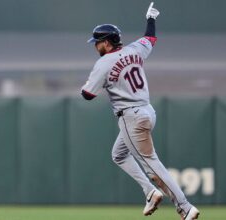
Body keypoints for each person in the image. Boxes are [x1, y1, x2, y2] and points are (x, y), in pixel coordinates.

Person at [80, 2, 200, 220]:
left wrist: (103, 81)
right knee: (118, 154)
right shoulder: (135, 49)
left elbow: (87, 95)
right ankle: (150, 192)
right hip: (147, 111)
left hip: (131, 117)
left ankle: (185, 207)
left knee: (152, 164)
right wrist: (151, 19)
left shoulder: (104, 63)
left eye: (97, 42)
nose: (95, 46)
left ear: (106, 43)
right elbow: (150, 39)